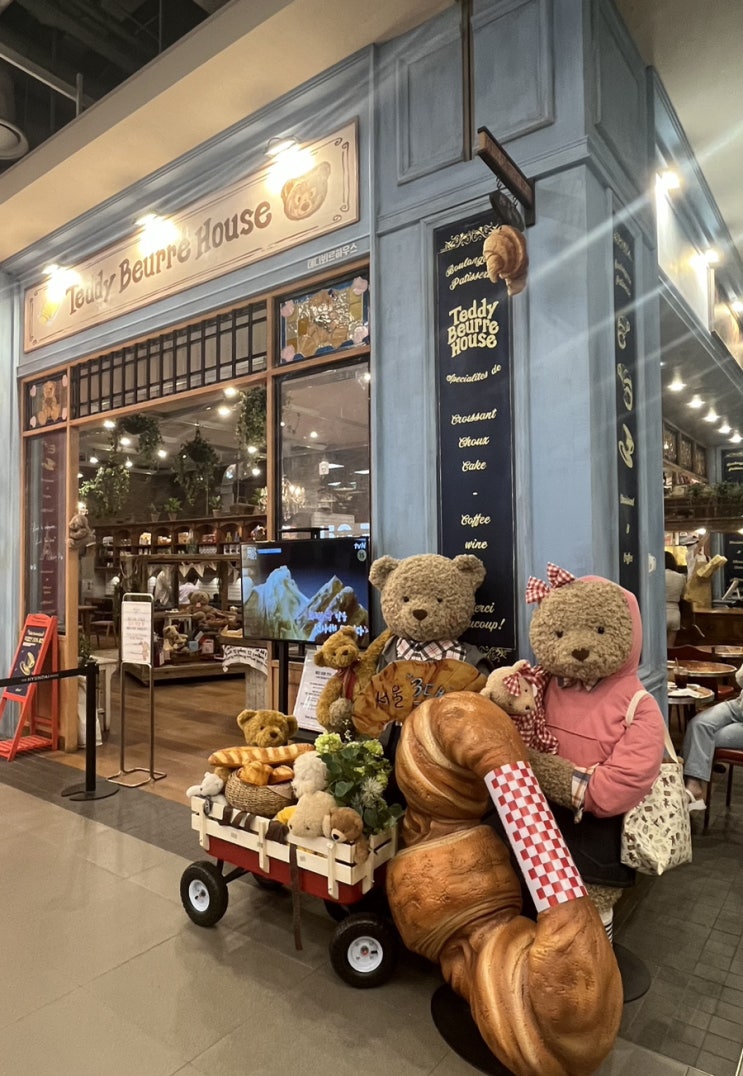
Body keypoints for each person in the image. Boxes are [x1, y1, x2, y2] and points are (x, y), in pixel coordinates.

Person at [683, 663, 743, 810]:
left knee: (703, 738)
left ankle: (691, 790)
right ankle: (693, 787)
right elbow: (740, 677)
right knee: (698, 725)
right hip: (739, 705)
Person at [664, 550, 686, 647]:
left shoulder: (657, 576)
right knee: (670, 647)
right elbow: (684, 594)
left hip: (661, 612)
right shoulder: (681, 577)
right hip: (675, 613)